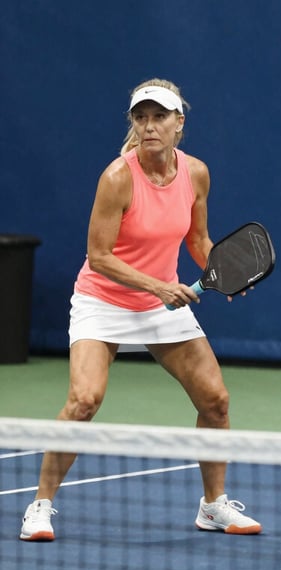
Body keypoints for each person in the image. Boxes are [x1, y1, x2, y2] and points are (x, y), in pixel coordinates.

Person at [19, 78, 262, 541]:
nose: (150, 126)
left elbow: (197, 238)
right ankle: (40, 505)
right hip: (103, 299)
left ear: (179, 124)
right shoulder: (117, 177)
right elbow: (99, 256)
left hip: (160, 304)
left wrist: (221, 270)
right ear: (134, 123)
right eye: (141, 117)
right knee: (83, 401)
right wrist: (159, 286)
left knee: (216, 400)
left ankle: (212, 506)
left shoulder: (196, 174)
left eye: (160, 117)